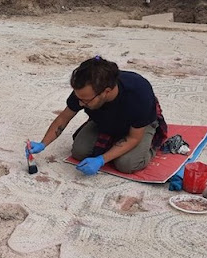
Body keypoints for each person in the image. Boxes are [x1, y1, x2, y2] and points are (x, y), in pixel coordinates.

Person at [27, 56, 167, 176]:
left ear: (106, 92)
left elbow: (133, 137)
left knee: (127, 164)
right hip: (105, 121)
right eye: (79, 98)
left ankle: (151, 142)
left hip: (137, 127)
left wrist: (101, 159)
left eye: (85, 101)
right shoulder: (84, 92)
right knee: (79, 152)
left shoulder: (138, 94)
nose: (80, 104)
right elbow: (64, 117)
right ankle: (112, 141)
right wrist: (43, 143)